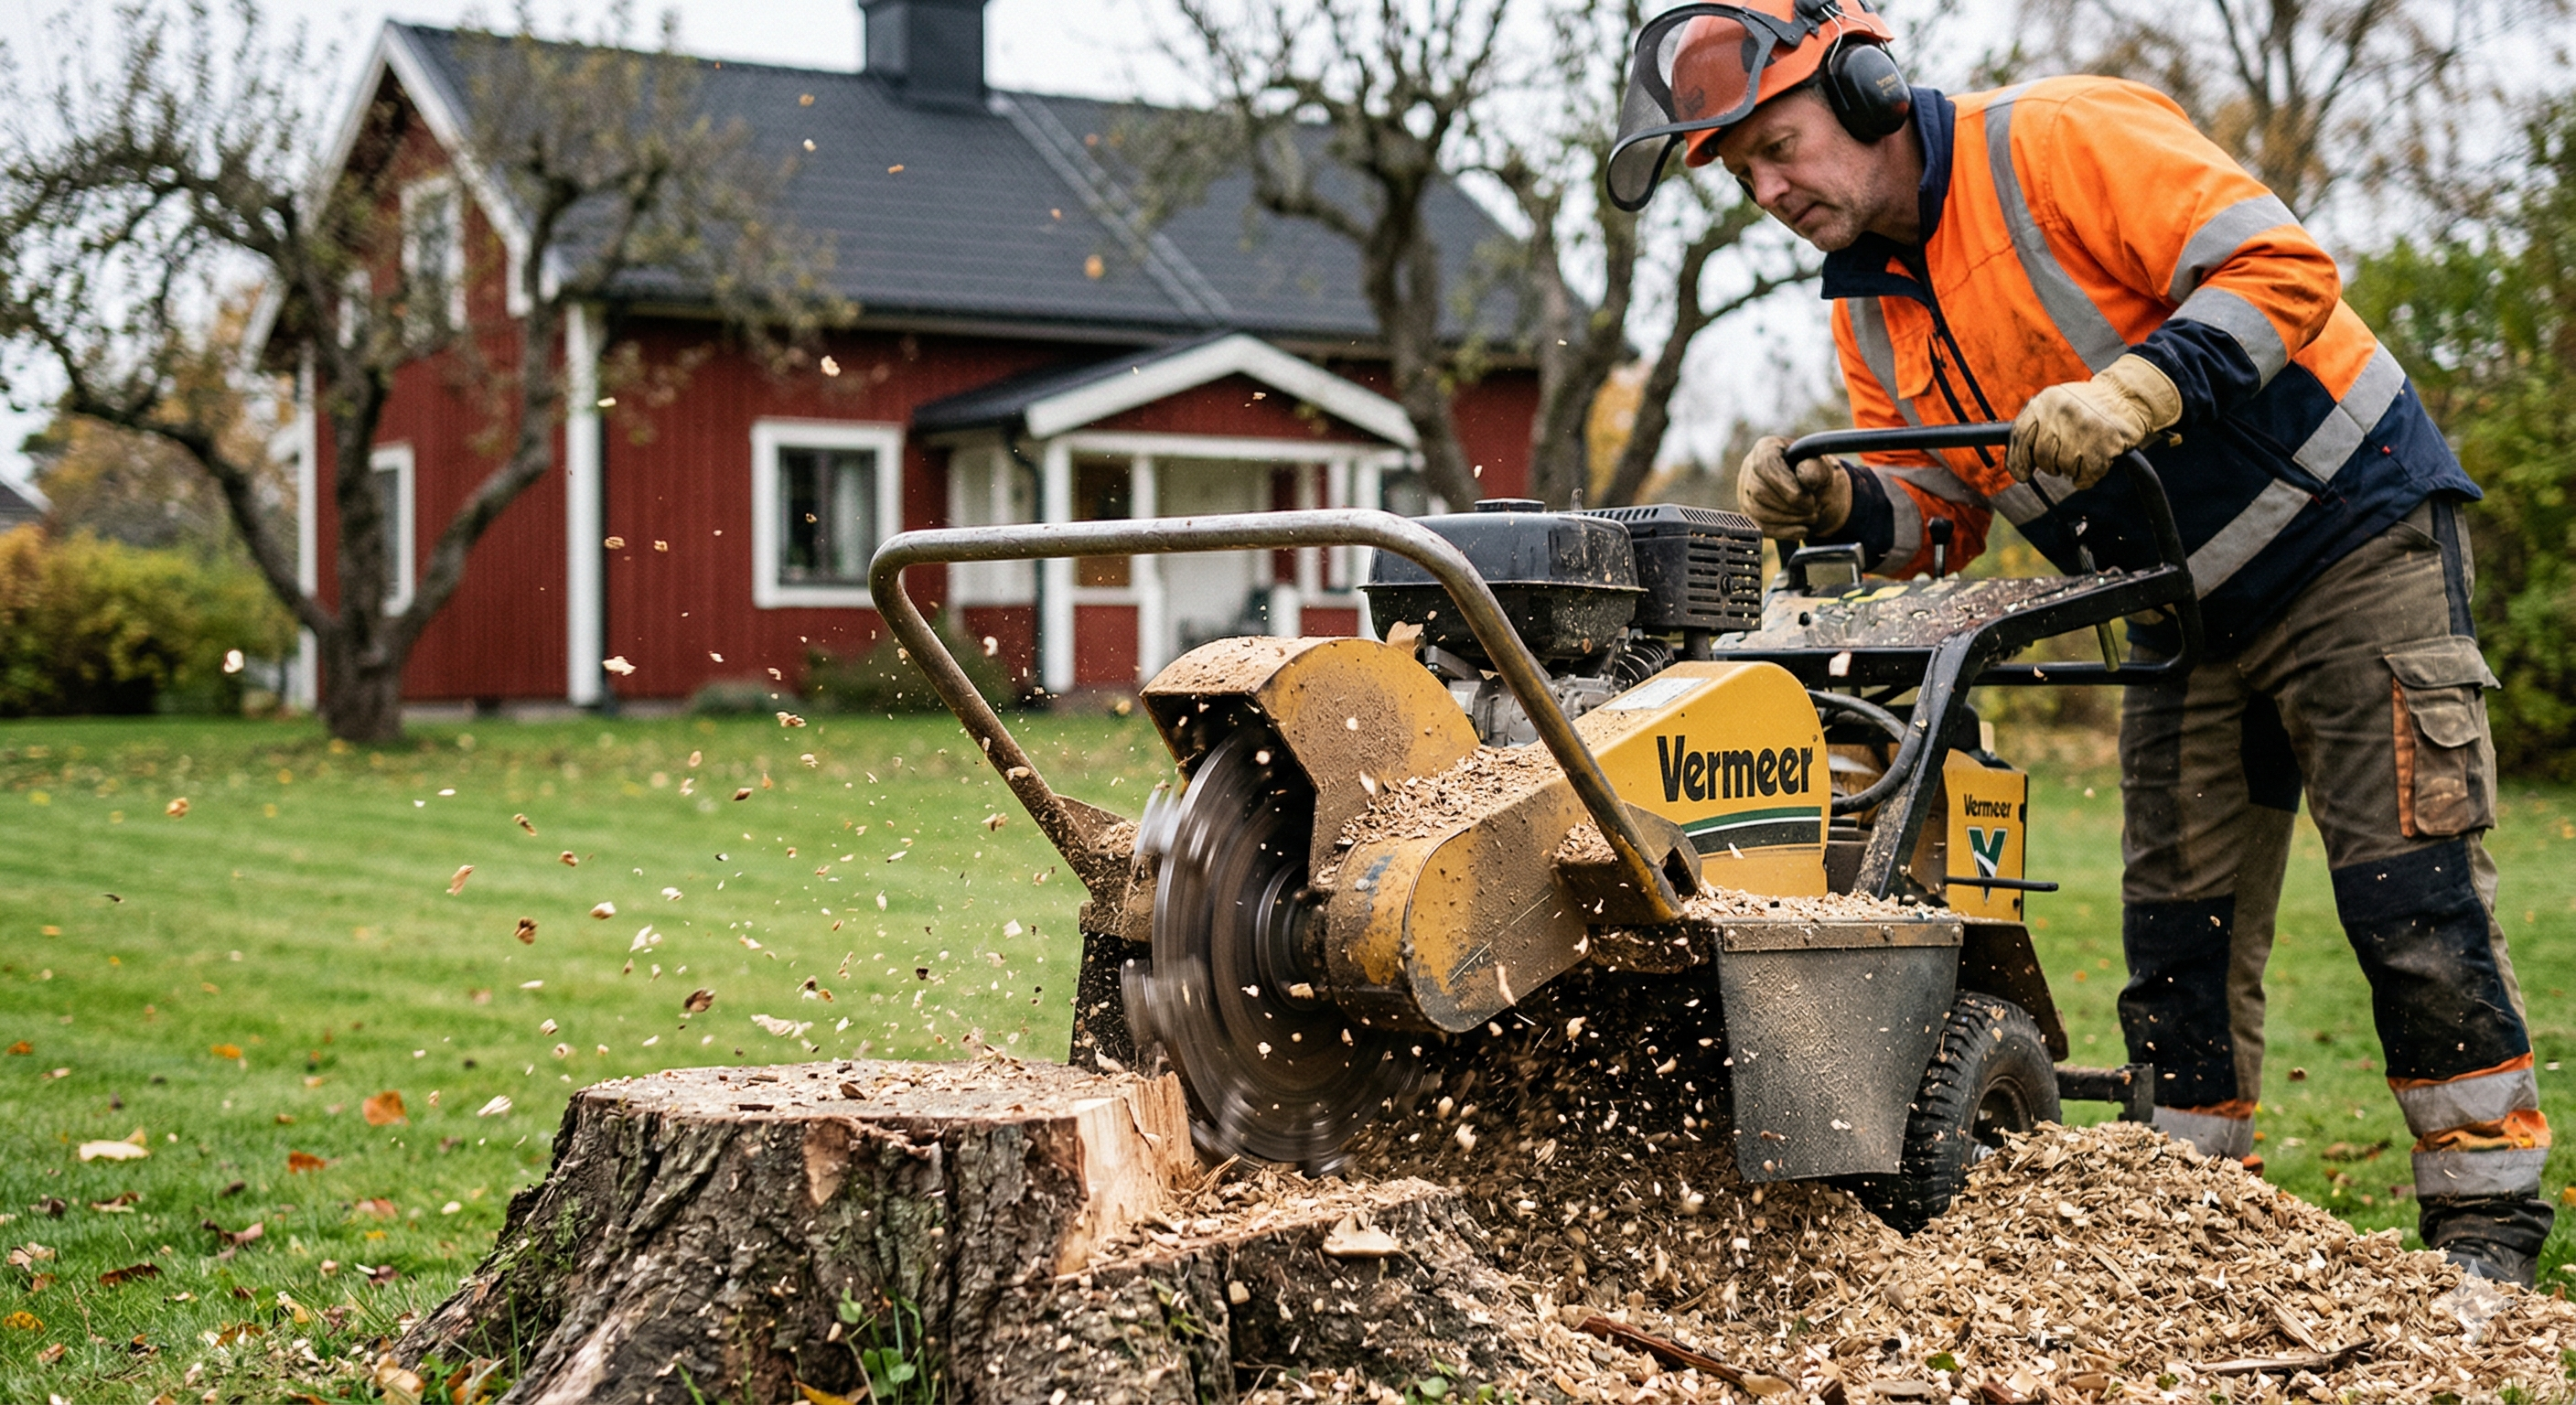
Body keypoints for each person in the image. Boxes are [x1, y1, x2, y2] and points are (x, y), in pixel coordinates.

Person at [1604, 0, 2553, 1282]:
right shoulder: (1868, 305)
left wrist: (2145, 387)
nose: (1770, 187)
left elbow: (2283, 269)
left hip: (2348, 541)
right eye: (1744, 171)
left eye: (1779, 142)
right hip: (2177, 602)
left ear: (1872, 86)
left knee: (2408, 895)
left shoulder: (2058, 138)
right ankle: (2184, 1232)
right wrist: (1837, 501)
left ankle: (2485, 1228)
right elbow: (1944, 518)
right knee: (2179, 938)